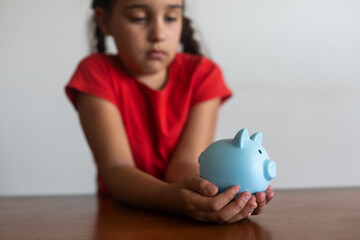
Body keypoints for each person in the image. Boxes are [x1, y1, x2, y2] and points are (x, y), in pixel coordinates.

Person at [65, 0, 274, 224]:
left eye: (171, 18)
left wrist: (218, 194)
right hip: (119, 218)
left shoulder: (203, 75)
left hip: (185, 220)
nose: (158, 34)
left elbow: (186, 162)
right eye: (139, 18)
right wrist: (173, 198)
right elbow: (117, 168)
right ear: (104, 20)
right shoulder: (95, 73)